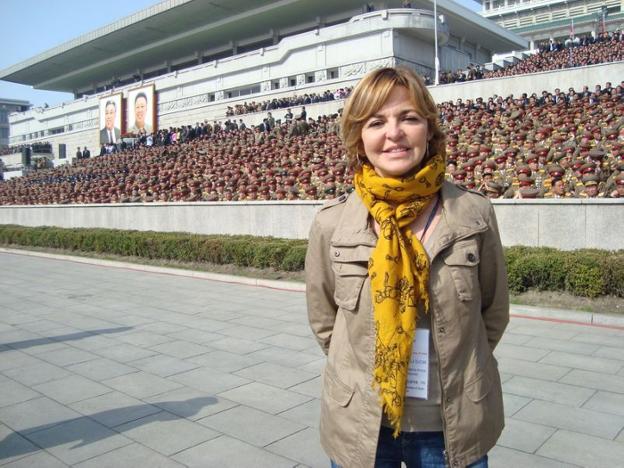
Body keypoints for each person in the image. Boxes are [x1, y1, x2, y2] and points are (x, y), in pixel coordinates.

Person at [305, 67, 509, 468]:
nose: (393, 133)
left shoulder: (472, 213)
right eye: (376, 122)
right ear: (359, 139)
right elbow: (326, 323)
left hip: (449, 428)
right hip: (362, 425)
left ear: (429, 130)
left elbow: (492, 314)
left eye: (409, 118)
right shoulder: (332, 224)